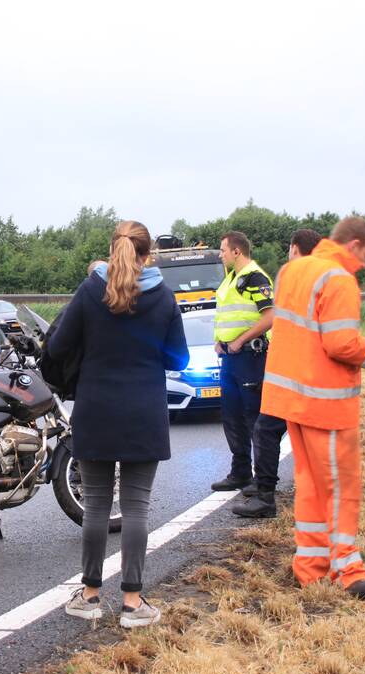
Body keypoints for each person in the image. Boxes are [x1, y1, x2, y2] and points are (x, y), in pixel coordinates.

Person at [48, 221, 188, 628]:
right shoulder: (163, 297)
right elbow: (178, 358)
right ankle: (132, 603)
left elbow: (57, 346)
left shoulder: (91, 290)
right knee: (135, 507)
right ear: (148, 255)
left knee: (96, 505)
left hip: (96, 410)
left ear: (113, 250)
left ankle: (90, 596)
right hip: (144, 413)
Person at [260, 216, 365, 599]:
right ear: (353, 245)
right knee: (340, 487)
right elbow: (340, 344)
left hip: (293, 399)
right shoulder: (338, 279)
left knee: (310, 484)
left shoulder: (291, 271)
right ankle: (348, 569)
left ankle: (311, 566)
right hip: (326, 401)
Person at [232, 227, 322, 518]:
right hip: (304, 374)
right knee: (304, 436)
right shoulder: (321, 279)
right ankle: (308, 492)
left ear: (294, 248)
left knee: (265, 430)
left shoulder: (296, 280)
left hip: (292, 375)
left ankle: (265, 496)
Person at [210, 232, 275, 492]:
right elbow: (226, 315)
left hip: (250, 356)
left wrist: (240, 340)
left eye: (223, 250)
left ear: (237, 251)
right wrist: (220, 340)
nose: (220, 254)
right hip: (230, 357)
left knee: (253, 417)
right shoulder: (231, 279)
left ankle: (262, 479)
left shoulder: (255, 277)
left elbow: (270, 317)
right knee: (232, 416)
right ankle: (240, 472)